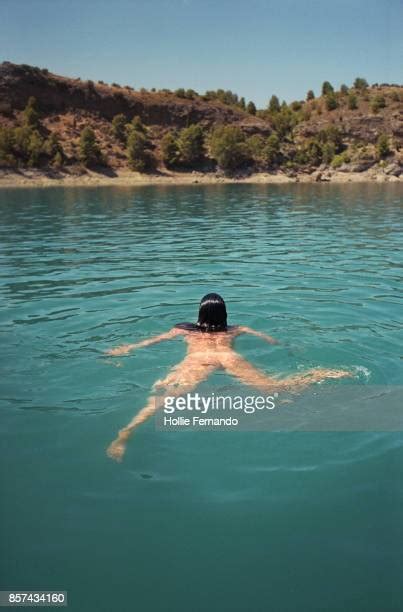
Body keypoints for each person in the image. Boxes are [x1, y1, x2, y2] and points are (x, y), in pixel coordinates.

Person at [105, 293, 349, 461]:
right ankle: (321, 374)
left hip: (199, 360)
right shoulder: (235, 329)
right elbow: (267, 338)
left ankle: (125, 433)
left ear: (200, 312)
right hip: (229, 357)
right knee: (276, 391)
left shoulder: (184, 328)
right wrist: (279, 343)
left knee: (164, 399)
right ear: (224, 313)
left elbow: (151, 341)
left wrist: (126, 349)